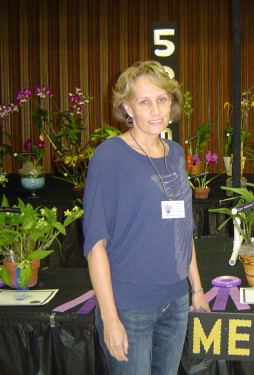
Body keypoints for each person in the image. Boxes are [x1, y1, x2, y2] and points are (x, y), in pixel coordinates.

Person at [83, 60, 210, 375]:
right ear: (127, 107)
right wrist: (110, 319)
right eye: (144, 101)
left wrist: (196, 288)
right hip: (129, 308)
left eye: (162, 99)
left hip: (176, 302)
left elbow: (183, 229)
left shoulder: (176, 153)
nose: (156, 110)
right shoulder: (110, 156)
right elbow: (95, 243)